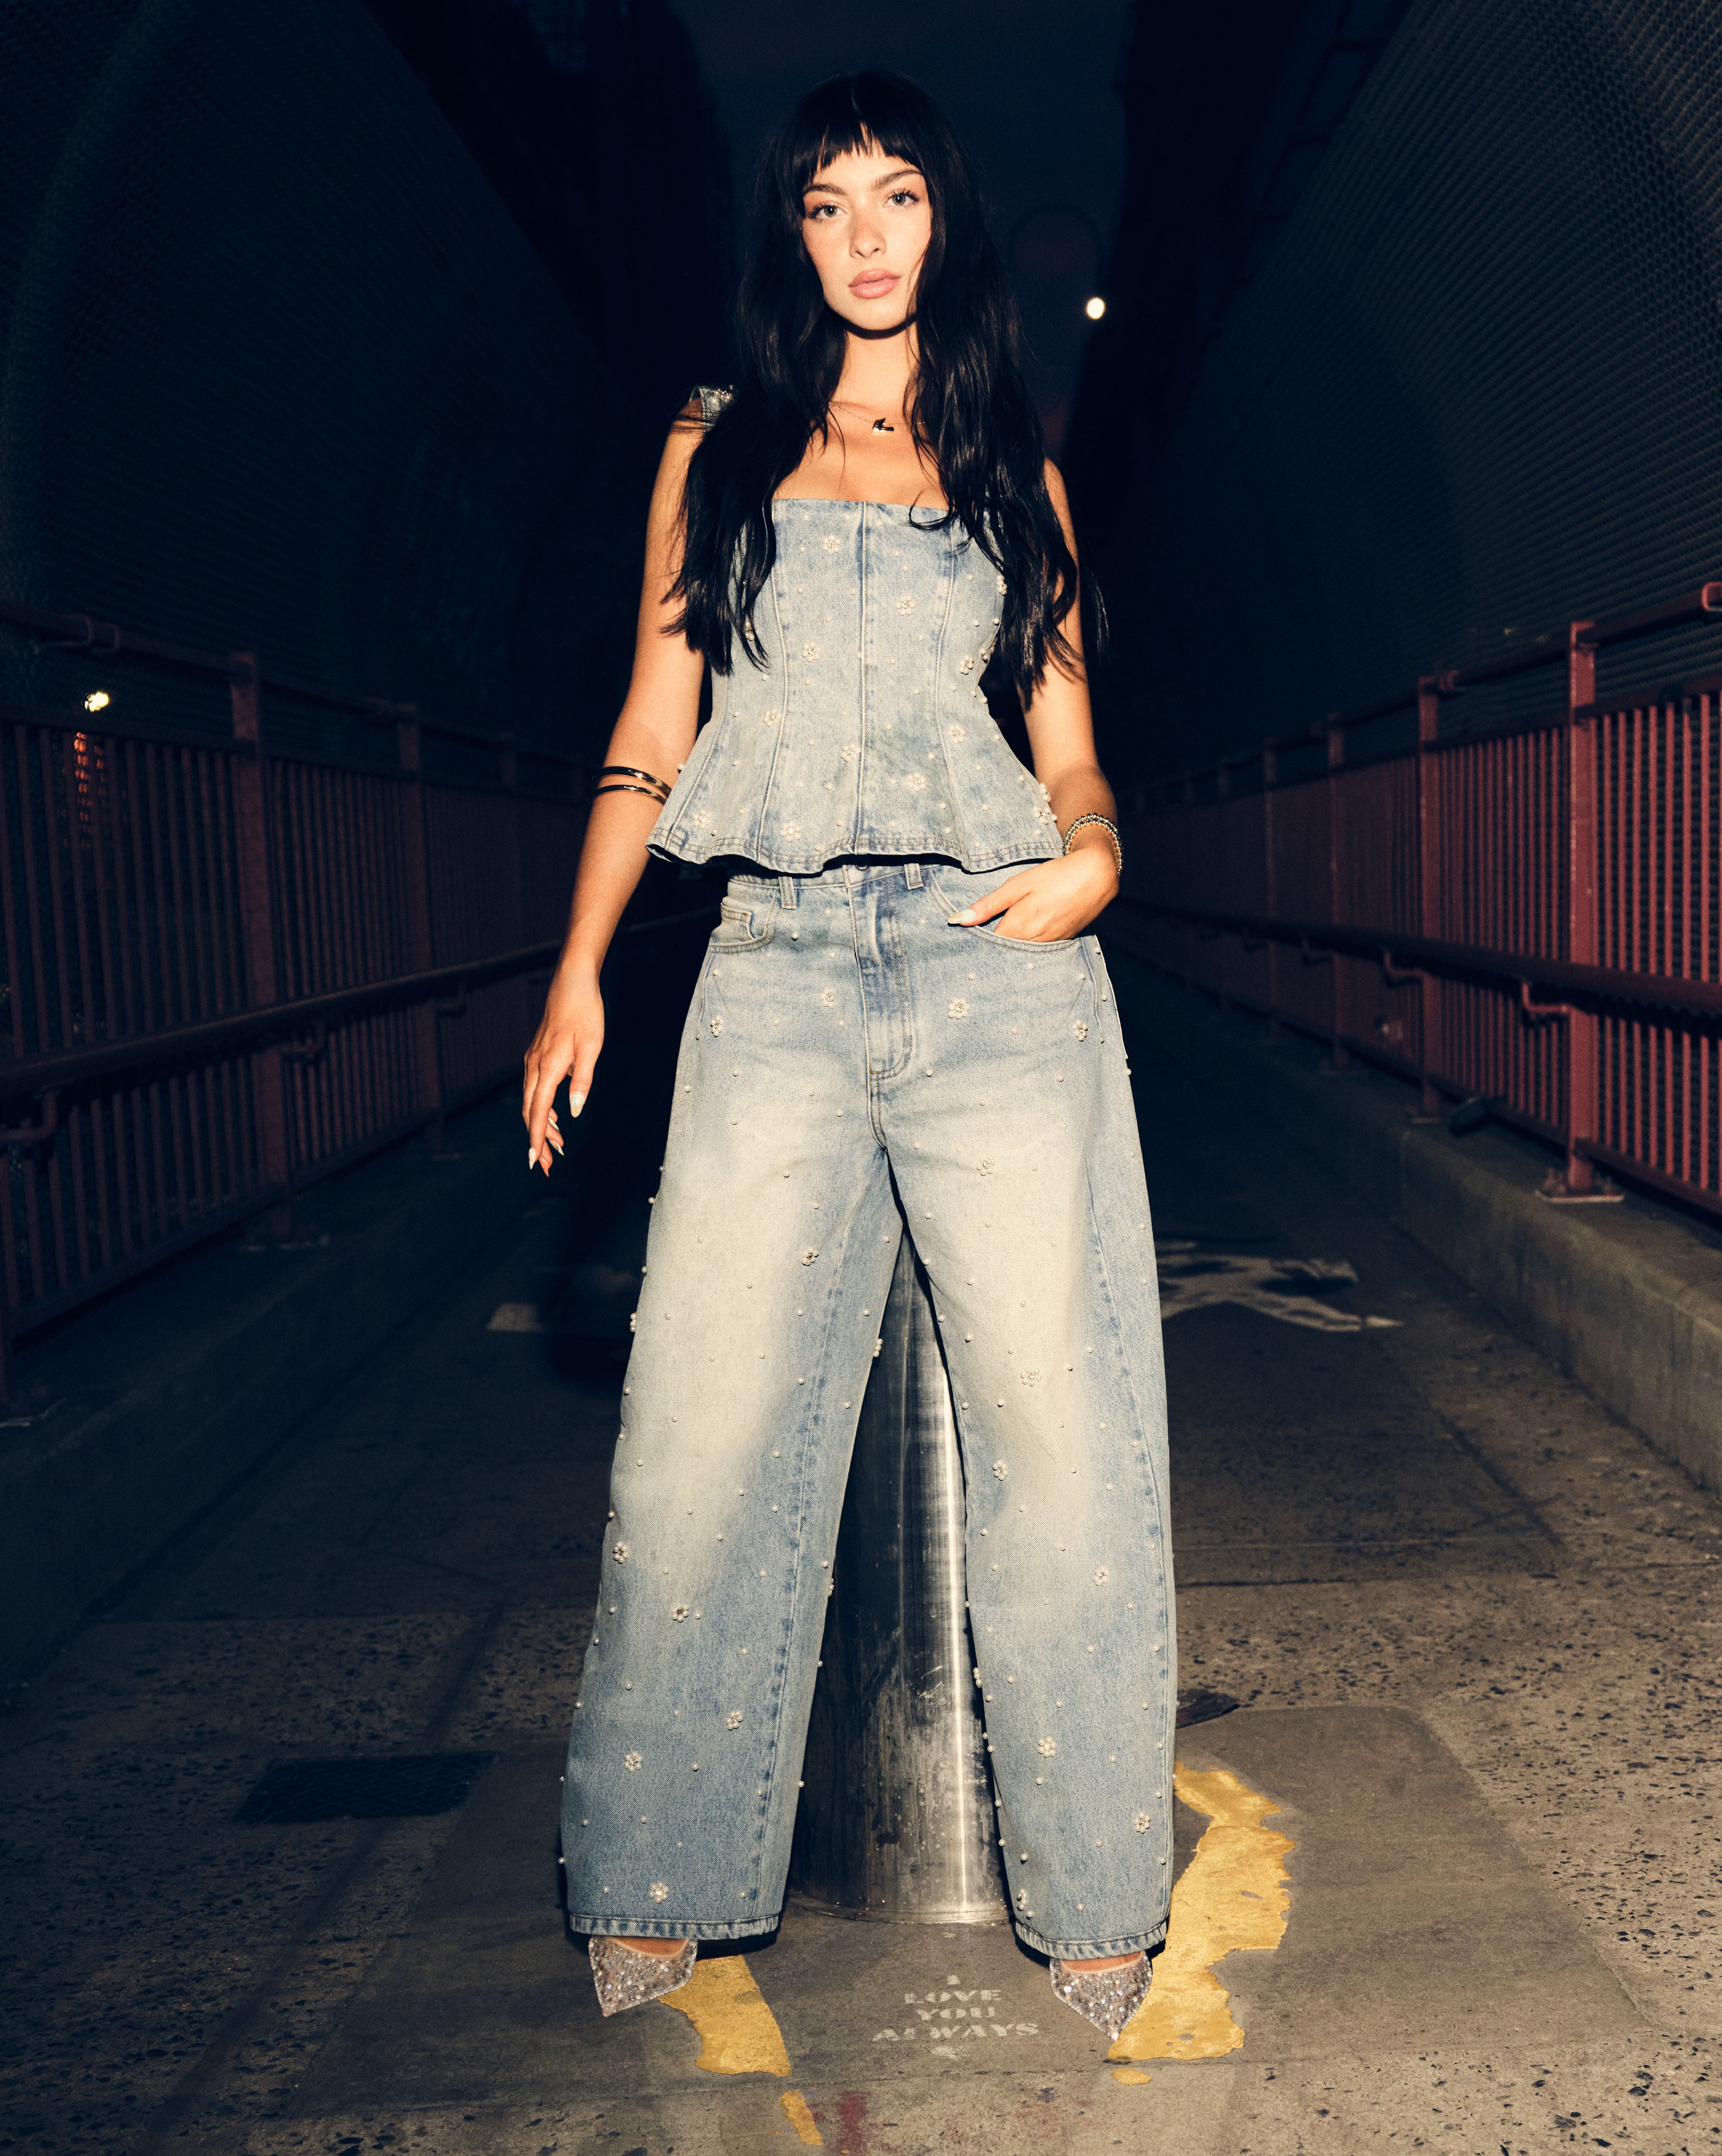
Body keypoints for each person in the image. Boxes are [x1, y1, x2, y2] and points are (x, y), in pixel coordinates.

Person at [522, 69, 1174, 2045]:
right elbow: (654, 722)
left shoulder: (1011, 467)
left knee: (1060, 1433)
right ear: (791, 237)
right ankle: (656, 1866)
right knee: (698, 1428)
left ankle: (1096, 1891)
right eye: (828, 204)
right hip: (778, 967)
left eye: (897, 196)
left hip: (998, 971)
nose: (867, 235)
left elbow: (1068, 750)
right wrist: (579, 970)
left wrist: (1095, 857)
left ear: (942, 221)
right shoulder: (715, 448)